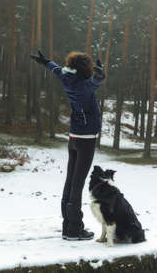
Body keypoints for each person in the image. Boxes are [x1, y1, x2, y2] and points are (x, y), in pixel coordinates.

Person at [31, 50, 104, 241]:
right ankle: (74, 229)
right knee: (77, 184)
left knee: (70, 181)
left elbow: (56, 69)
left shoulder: (66, 78)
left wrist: (46, 61)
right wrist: (99, 73)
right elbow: (96, 81)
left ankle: (68, 225)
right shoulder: (85, 86)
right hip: (86, 139)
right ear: (84, 69)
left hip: (73, 138)